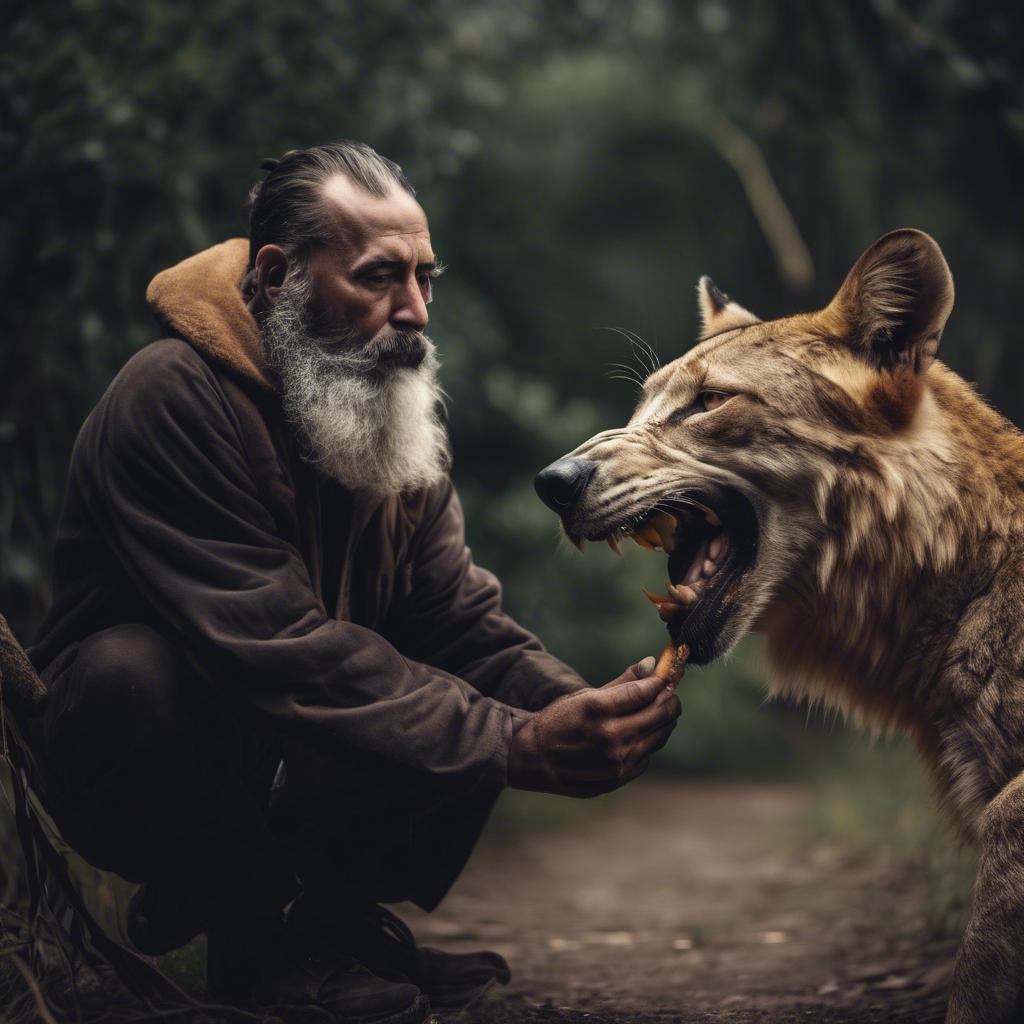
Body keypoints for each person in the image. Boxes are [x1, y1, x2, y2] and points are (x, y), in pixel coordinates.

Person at [28, 141, 682, 1024]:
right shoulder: (171, 394)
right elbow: (282, 651)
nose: (413, 310)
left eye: (423, 278)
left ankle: (329, 928)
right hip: (125, 747)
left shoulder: (385, 403)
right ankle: (255, 939)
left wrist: (581, 709)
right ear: (277, 275)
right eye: (378, 278)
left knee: (472, 699)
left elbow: (460, 623)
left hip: (285, 737)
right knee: (132, 670)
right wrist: (517, 743)